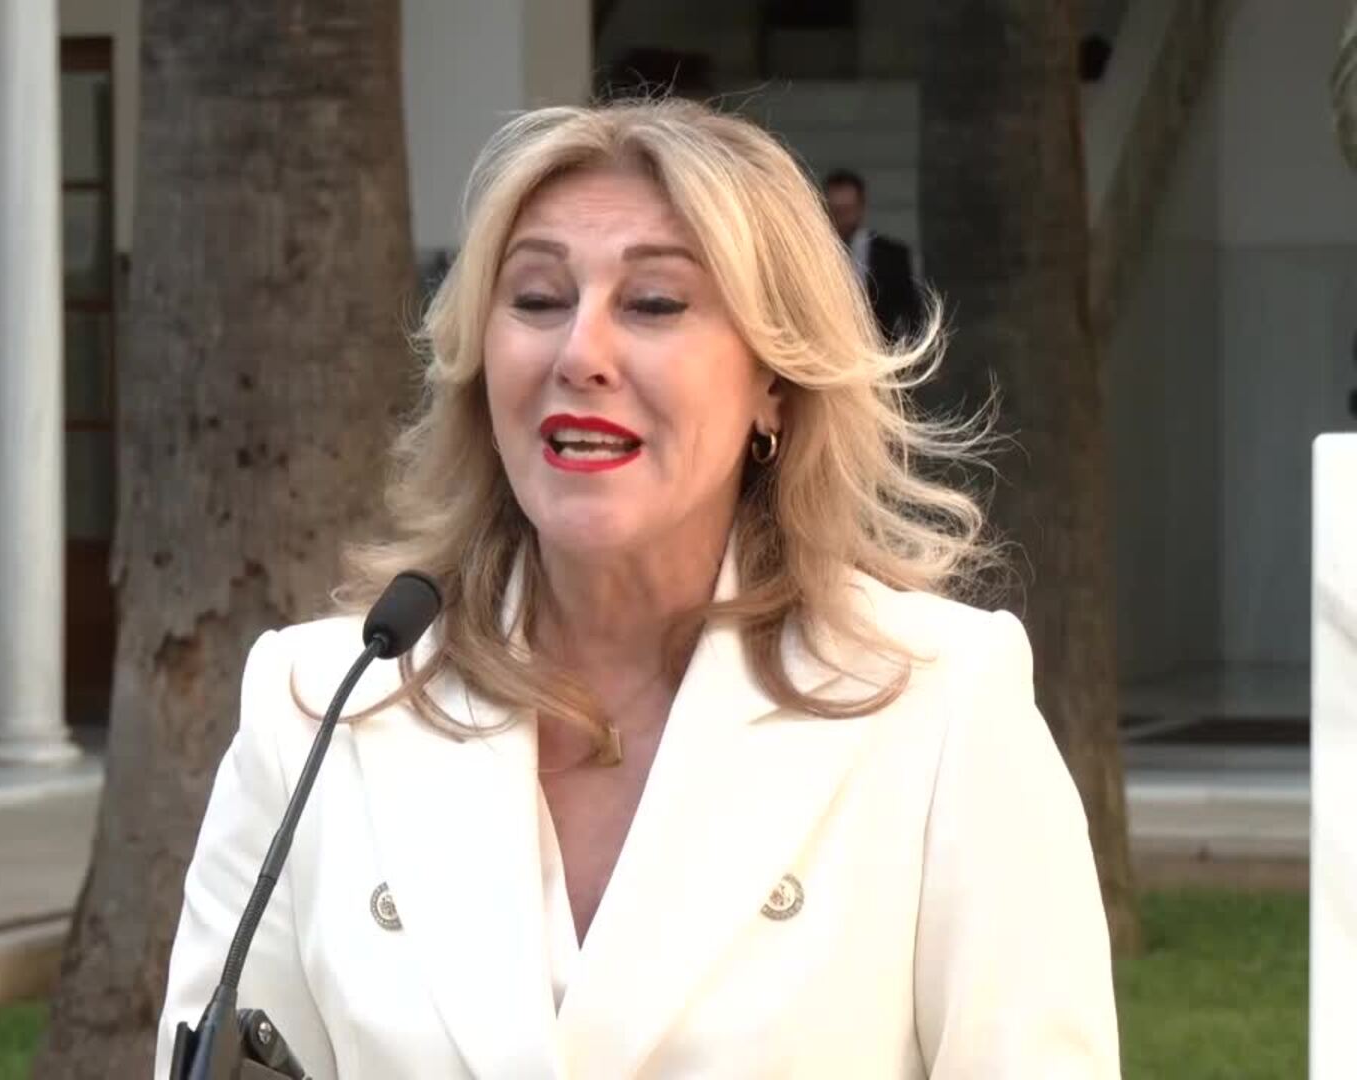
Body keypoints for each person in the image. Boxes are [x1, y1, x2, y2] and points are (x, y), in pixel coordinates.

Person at [156, 100, 1118, 1078]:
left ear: (775, 382)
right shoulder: (317, 709)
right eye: (538, 298)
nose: (580, 354)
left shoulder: (940, 704)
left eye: (655, 303)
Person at [823, 167, 926, 343]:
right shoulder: (813, 254)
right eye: (836, 211)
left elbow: (910, 312)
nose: (842, 219)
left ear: (860, 208)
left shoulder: (892, 256)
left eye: (847, 210)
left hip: (880, 345)